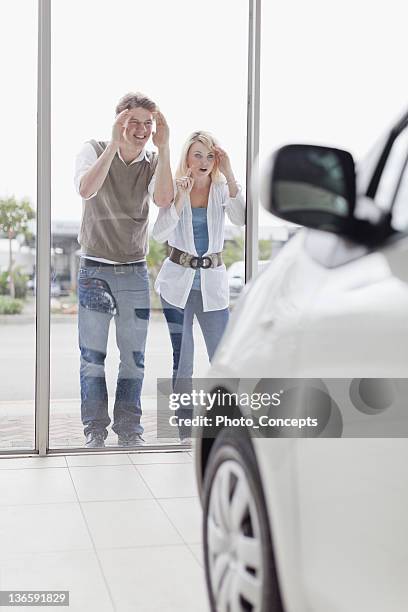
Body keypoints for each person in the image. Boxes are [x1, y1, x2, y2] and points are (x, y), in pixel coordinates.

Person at [74, 92, 174, 448]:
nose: (142, 130)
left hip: (133, 271)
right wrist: (112, 147)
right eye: (134, 122)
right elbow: (86, 189)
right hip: (94, 269)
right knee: (92, 359)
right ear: (119, 121)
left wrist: (164, 148)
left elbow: (163, 199)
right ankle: (95, 431)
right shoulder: (93, 149)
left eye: (148, 124)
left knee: (134, 360)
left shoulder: (152, 161)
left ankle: (130, 431)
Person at [152, 130, 245, 440]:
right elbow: (159, 233)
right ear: (187, 159)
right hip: (178, 284)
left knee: (221, 355)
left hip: (212, 287)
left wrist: (230, 172)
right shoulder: (177, 187)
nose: (204, 161)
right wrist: (179, 199)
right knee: (184, 357)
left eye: (209, 156)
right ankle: (183, 425)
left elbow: (241, 217)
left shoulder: (220, 189)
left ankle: (225, 419)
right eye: (197, 155)